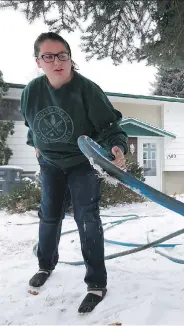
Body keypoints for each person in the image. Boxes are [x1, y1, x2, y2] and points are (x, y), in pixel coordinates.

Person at [19, 32, 128, 313]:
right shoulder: (31, 91)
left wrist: (116, 149)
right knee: (49, 215)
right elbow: (32, 124)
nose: (57, 62)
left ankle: (96, 283)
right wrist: (36, 146)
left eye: (63, 56)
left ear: (70, 59)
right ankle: (45, 265)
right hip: (51, 163)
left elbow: (109, 128)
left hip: (82, 163)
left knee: (87, 218)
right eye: (49, 56)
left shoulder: (87, 90)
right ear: (38, 61)